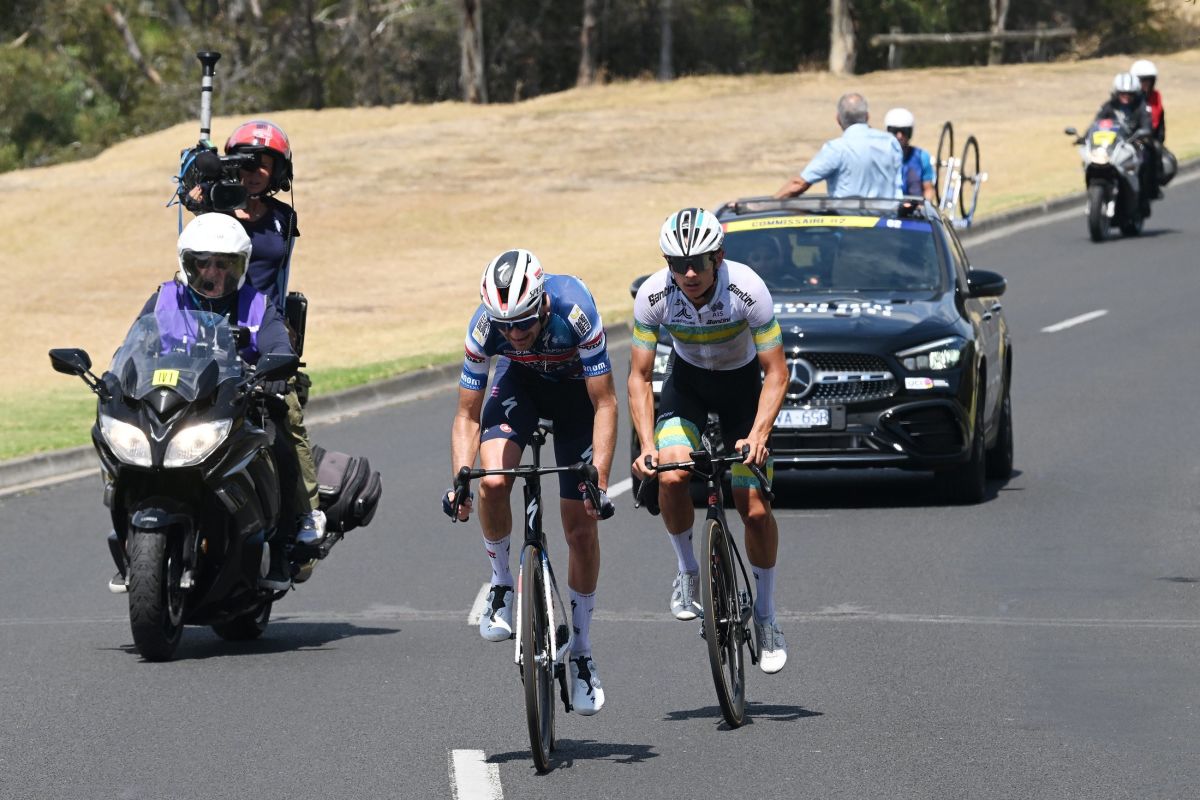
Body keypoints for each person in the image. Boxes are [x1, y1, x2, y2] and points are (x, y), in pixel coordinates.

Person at [444, 248, 618, 715]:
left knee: (580, 527)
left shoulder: (575, 310)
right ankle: (502, 583)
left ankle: (581, 652)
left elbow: (605, 403)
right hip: (521, 387)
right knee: (492, 481)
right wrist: (460, 480)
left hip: (576, 397)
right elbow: (467, 414)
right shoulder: (485, 326)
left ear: (541, 303)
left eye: (522, 323)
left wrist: (599, 480)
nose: (515, 334)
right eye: (506, 326)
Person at [628, 208, 790, 674]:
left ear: (718, 257)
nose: (689, 274)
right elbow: (639, 377)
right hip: (689, 386)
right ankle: (688, 572)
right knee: (672, 474)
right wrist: (646, 446)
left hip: (742, 389)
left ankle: (767, 616)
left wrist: (758, 435)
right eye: (678, 264)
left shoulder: (747, 288)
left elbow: (777, 372)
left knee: (753, 507)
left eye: (698, 262)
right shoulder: (654, 295)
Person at [139, 213, 298, 589]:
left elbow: (278, 344)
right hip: (178, 403)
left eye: (223, 264)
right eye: (203, 263)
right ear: (187, 264)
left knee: (280, 440)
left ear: (239, 267)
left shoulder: (257, 305)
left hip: (239, 402)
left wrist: (274, 367)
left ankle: (283, 544)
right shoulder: (166, 298)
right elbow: (136, 343)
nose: (212, 272)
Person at [221, 120, 324, 548]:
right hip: (211, 332)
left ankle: (307, 511)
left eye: (263, 164)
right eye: (245, 163)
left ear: (279, 172)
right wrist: (203, 184)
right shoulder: (213, 210)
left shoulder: (284, 218)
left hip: (264, 331)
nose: (253, 172)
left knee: (286, 417)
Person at [774, 93, 903, 200]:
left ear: (838, 119)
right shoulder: (890, 142)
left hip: (848, 222)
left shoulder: (837, 149)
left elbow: (799, 184)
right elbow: (898, 186)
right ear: (867, 116)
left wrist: (768, 205)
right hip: (886, 220)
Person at [1093, 73, 1154, 212]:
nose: (1126, 97)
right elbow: (1096, 123)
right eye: (1122, 93)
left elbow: (1147, 125)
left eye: (1129, 94)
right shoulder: (1109, 106)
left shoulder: (1141, 106)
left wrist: (1142, 133)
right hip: (1113, 143)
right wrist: (1084, 137)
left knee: (1145, 158)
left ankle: (1143, 196)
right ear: (1116, 93)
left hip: (1135, 142)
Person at [1130, 59, 1165, 199]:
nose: (1145, 84)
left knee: (1152, 152)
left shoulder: (1155, 97)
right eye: (1142, 80)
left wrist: (1158, 139)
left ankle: (1152, 186)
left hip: (1144, 138)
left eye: (1148, 80)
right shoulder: (1128, 97)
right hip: (1126, 136)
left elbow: (1159, 120)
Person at [884, 107, 935, 202]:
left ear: (910, 132)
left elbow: (928, 189)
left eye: (904, 131)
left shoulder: (922, 157)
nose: (899, 136)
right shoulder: (880, 157)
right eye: (894, 131)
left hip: (914, 208)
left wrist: (923, 205)